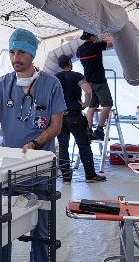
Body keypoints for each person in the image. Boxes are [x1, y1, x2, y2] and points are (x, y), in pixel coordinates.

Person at [0, 28, 66, 261]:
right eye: (11, 52)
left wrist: (35, 143)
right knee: (1, 228)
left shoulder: (51, 85)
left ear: (32, 54)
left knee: (41, 231)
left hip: (41, 169)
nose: (15, 58)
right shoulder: (2, 84)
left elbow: (56, 126)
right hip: (9, 170)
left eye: (21, 52)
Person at [55, 54, 106, 184]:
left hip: (60, 116)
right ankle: (90, 175)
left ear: (60, 65)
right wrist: (85, 103)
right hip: (74, 115)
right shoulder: (77, 76)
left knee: (63, 146)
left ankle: (66, 178)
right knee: (83, 144)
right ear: (69, 63)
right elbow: (88, 91)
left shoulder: (55, 78)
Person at [76, 31, 113, 140]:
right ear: (92, 37)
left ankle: (88, 130)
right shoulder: (96, 46)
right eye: (95, 36)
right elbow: (111, 43)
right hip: (99, 80)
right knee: (107, 104)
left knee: (92, 106)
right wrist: (106, 38)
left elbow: (78, 55)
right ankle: (99, 130)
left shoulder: (80, 50)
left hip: (88, 81)